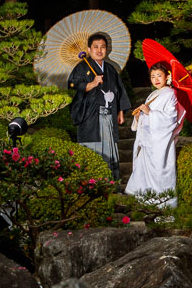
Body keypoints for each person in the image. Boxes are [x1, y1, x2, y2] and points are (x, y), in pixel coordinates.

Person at [67, 31, 131, 179]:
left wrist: (120, 111)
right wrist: (91, 84)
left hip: (109, 116)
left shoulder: (110, 69)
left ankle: (111, 182)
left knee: (109, 148)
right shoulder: (82, 67)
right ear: (89, 49)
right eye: (95, 47)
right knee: (92, 149)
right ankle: (92, 182)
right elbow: (72, 85)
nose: (99, 50)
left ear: (107, 49)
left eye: (102, 47)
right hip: (90, 116)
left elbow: (119, 89)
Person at [126, 60, 184, 209]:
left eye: (159, 75)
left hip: (160, 143)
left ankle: (164, 207)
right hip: (148, 142)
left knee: (160, 174)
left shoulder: (170, 93)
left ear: (167, 77)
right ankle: (146, 206)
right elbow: (146, 117)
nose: (156, 79)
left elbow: (170, 118)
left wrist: (150, 113)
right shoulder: (153, 94)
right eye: (153, 76)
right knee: (143, 174)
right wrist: (139, 117)